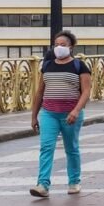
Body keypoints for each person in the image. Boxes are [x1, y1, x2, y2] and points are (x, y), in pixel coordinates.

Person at [29, 31, 92, 197]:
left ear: (71, 47)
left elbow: (86, 91)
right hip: (49, 113)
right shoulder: (47, 65)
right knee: (46, 147)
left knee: (71, 148)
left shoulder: (79, 66)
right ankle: (42, 184)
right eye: (56, 44)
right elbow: (40, 92)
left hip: (70, 114)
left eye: (63, 45)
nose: (59, 47)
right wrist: (34, 115)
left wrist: (76, 111)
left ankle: (74, 181)